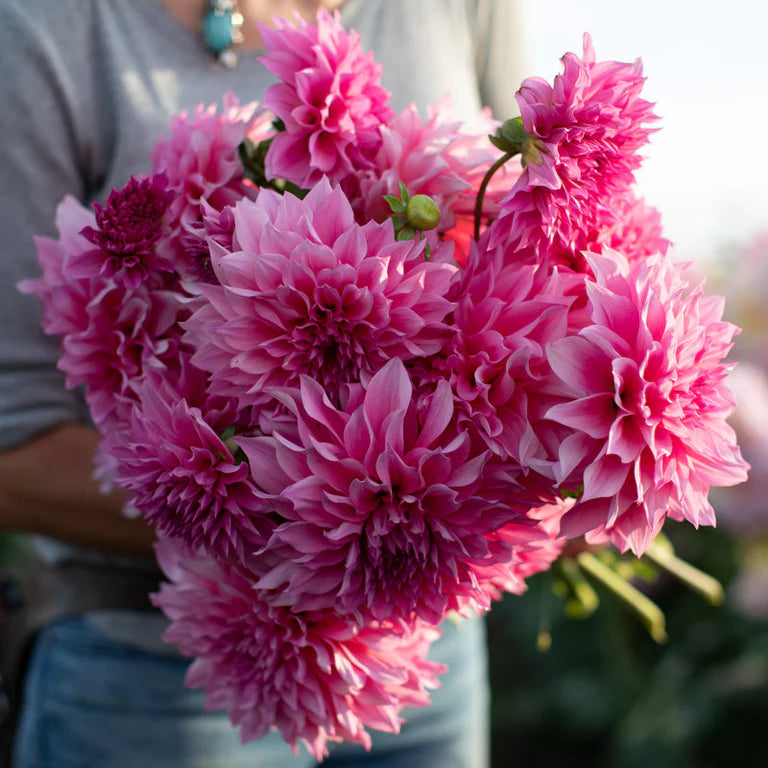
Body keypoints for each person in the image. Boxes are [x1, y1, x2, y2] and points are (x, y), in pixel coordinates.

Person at [0, 1, 526, 765]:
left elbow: (533, 234)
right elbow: (11, 453)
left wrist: (551, 466)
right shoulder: (46, 26)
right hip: (157, 682)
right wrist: (321, 519)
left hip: (425, 667)